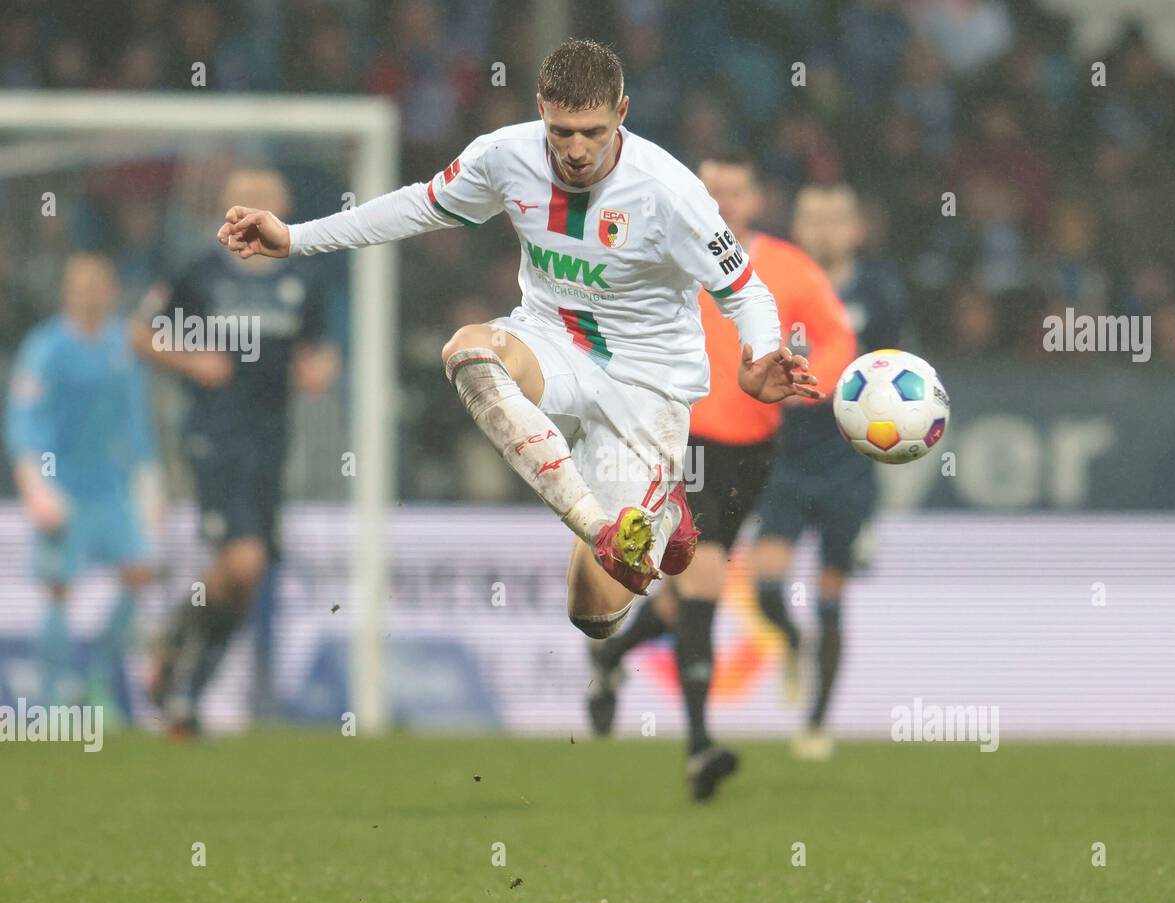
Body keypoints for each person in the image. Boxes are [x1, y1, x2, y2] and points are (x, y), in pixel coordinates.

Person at [213, 39, 818, 793]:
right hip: (551, 340)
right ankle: (608, 526)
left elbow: (746, 291)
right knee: (468, 352)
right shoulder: (506, 156)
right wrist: (296, 238)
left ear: (621, 116)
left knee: (593, 614)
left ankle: (645, 517)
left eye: (593, 132)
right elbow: (418, 207)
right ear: (541, 113)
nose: (574, 148)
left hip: (648, 386)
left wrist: (760, 353)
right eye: (561, 130)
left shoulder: (671, 190)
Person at [586, 154, 855, 797]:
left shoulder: (789, 268)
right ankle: (700, 748)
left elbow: (838, 338)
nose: (724, 201)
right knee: (703, 577)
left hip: (753, 452)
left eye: (736, 190)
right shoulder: (662, 257)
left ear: (755, 199)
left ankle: (611, 656)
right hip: (679, 443)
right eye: (713, 190)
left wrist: (808, 385)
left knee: (682, 597)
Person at [133, 166, 339, 736]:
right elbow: (142, 334)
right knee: (243, 560)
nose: (251, 212)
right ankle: (181, 667)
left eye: (264, 202)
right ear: (225, 210)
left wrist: (317, 368)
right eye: (242, 202)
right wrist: (191, 358)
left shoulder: (302, 277)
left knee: (246, 575)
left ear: (284, 208)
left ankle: (183, 684)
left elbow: (320, 349)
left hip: (270, 439)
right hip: (213, 433)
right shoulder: (196, 272)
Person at [752, 185, 910, 760]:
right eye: (811, 218)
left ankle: (817, 720)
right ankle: (792, 643)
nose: (822, 230)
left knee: (831, 596)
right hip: (786, 461)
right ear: (795, 225)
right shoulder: (772, 287)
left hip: (849, 464)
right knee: (766, 583)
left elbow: (900, 376)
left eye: (835, 219)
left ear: (856, 230)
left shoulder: (879, 292)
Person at [6, 254, 158, 717]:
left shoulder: (120, 346)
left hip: (109, 487)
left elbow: (135, 419)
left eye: (99, 285)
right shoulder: (46, 347)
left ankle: (98, 677)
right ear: (67, 293)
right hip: (60, 485)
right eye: (81, 286)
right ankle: (56, 696)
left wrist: (150, 479)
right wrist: (36, 485)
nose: (90, 294)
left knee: (138, 573)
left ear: (112, 291)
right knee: (58, 587)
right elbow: (24, 420)